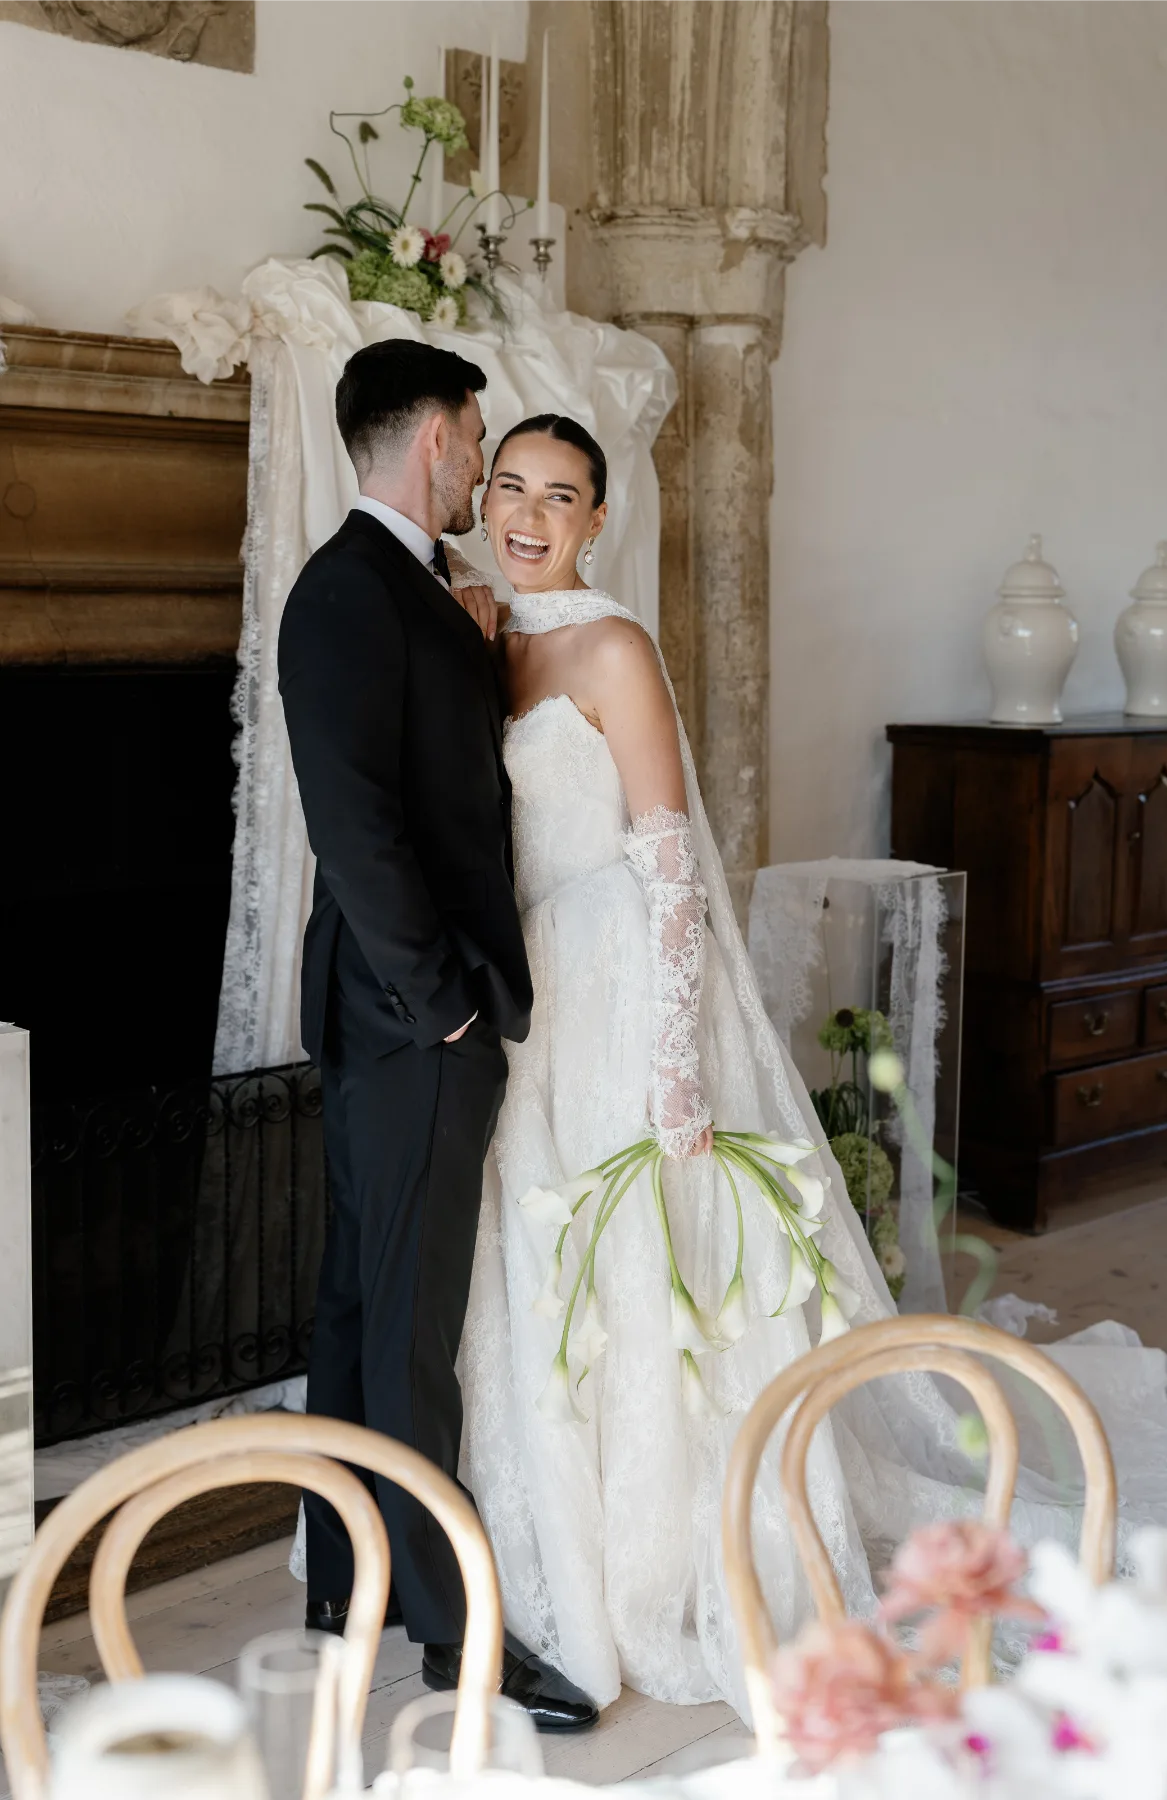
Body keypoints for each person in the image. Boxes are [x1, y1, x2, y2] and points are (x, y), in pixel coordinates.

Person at [450, 413, 1167, 1718]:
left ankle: (680, 1550)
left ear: (597, 520)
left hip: (620, 979)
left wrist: (676, 1063)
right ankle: (541, 1538)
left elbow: (669, 862)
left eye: (560, 496)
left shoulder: (612, 645)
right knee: (537, 1250)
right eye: (509, 484)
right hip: (530, 989)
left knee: (652, 1260)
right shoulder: (480, 634)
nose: (528, 514)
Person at [276, 344, 598, 1731]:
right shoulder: (347, 591)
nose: (485, 472)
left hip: (395, 1014)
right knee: (409, 1331)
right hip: (415, 1019)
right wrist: (446, 1002)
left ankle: (344, 1592)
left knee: (361, 1307)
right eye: (479, 445)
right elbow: (355, 832)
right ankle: (455, 1635)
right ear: (438, 443)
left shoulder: (401, 589)